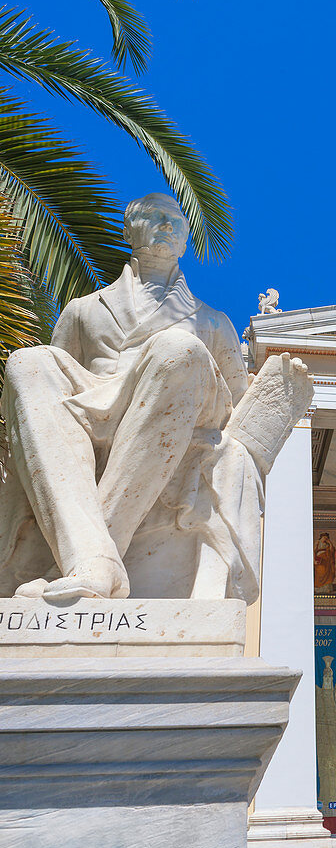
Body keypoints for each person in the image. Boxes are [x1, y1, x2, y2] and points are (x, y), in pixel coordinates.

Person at [0, 192, 313, 603]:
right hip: (96, 409)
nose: (166, 225)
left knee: (178, 350)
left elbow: (237, 410)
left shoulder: (213, 322)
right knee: (28, 363)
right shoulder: (82, 310)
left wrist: (275, 404)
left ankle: (89, 558)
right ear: (129, 230)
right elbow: (50, 395)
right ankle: (93, 557)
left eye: (175, 221)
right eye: (153, 217)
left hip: (180, 407)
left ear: (185, 241)